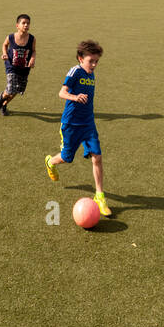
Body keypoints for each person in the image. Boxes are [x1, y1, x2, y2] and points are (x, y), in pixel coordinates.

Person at [44, 39, 110, 217]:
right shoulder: (75, 71)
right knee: (66, 158)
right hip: (71, 124)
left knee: (97, 157)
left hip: (88, 123)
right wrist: (74, 97)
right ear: (80, 58)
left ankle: (100, 196)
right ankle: (50, 162)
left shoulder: (91, 74)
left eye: (97, 61)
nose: (94, 65)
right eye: (91, 61)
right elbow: (62, 93)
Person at [0, 14, 34, 116]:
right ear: (17, 25)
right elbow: (4, 45)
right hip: (11, 66)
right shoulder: (11, 37)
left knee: (17, 90)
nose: (26, 25)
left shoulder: (32, 39)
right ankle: (2, 97)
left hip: (25, 68)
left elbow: (33, 51)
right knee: (10, 88)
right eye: (23, 23)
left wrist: (32, 59)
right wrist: (4, 53)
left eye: (28, 23)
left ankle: (4, 104)